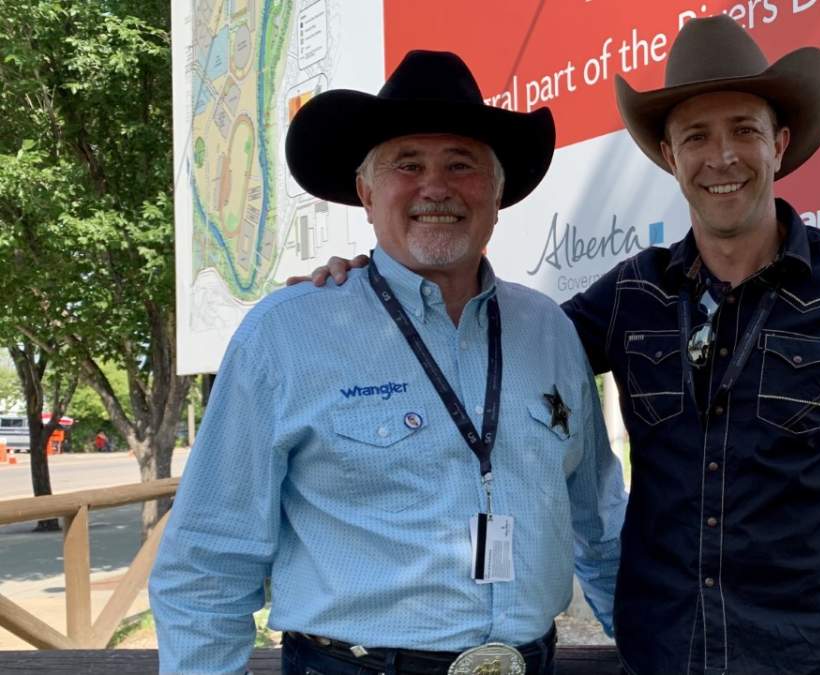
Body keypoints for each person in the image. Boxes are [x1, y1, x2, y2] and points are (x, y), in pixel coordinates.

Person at [308, 17, 820, 675]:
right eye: (696, 136)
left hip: (812, 660)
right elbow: (484, 340)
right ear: (669, 155)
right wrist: (386, 280)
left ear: (779, 144)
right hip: (660, 655)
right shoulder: (632, 295)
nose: (722, 156)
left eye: (744, 130)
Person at [149, 50, 626, 675]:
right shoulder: (286, 334)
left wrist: (646, 649)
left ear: (497, 192)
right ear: (366, 193)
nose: (437, 187)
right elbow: (209, 560)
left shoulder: (550, 331)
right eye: (408, 164)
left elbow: (601, 523)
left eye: (461, 164)